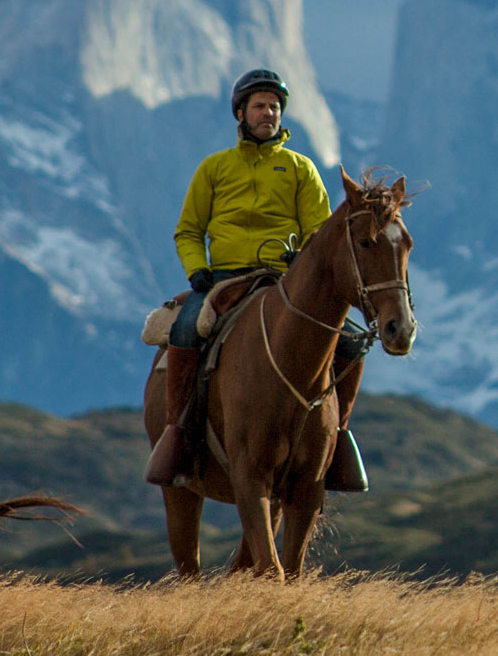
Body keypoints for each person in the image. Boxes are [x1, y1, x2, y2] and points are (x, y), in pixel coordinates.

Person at [146, 69, 370, 489]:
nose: (269, 112)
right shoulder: (214, 169)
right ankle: (178, 432)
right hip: (225, 279)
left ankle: (336, 439)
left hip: (284, 281)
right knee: (184, 330)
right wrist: (197, 268)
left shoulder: (300, 169)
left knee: (351, 342)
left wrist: (300, 265)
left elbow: (319, 236)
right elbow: (189, 230)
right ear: (241, 114)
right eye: (259, 106)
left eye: (274, 106)